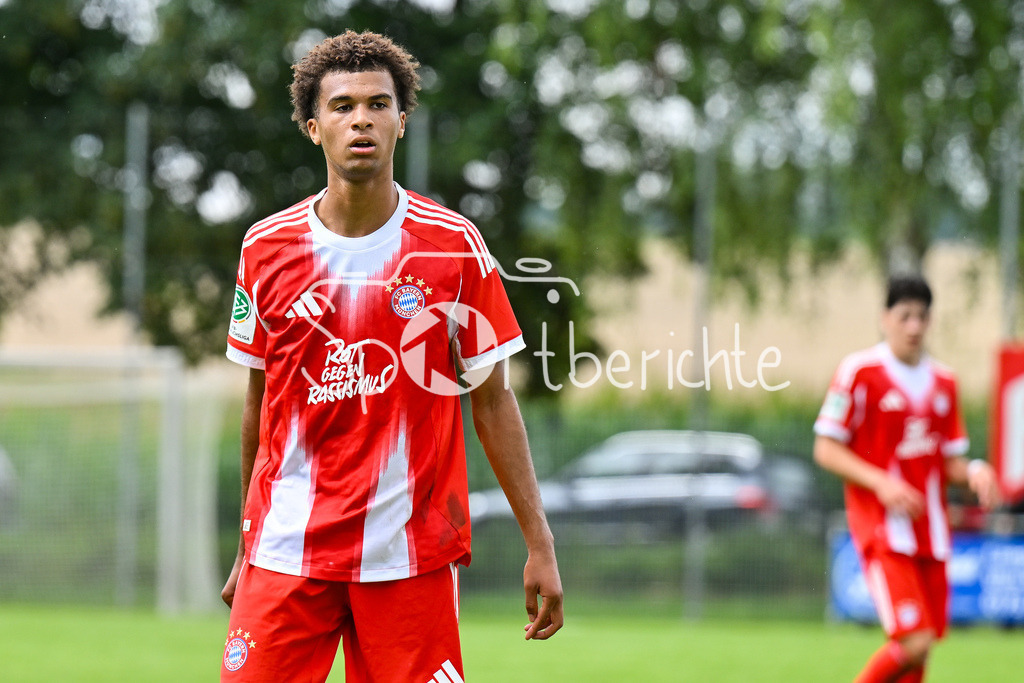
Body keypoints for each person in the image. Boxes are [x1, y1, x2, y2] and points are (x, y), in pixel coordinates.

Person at [220, 30, 563, 682]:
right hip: (287, 550)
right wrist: (248, 540)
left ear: (401, 123)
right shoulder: (264, 248)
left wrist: (539, 543)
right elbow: (259, 402)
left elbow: (492, 399)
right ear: (312, 126)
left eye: (378, 104)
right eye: (343, 106)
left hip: (409, 560)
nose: (361, 120)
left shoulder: (453, 246)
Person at [813, 274, 1000, 683]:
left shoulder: (944, 382)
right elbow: (826, 448)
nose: (914, 326)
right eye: (905, 316)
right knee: (914, 642)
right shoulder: (859, 372)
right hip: (883, 529)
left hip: (929, 532)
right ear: (885, 319)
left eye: (922, 316)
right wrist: (881, 482)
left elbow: (946, 462)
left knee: (920, 652)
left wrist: (973, 470)